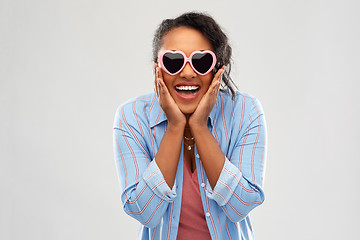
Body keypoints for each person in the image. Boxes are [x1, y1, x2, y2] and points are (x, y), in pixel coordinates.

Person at [113, 12, 267, 240]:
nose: (187, 73)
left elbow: (241, 206)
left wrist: (200, 127)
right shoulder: (131, 117)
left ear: (217, 69)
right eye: (173, 62)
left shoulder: (245, 112)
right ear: (158, 68)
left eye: (201, 61)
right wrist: (175, 126)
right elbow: (144, 213)